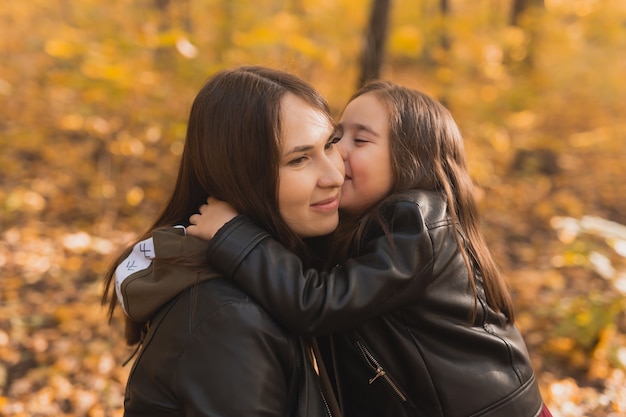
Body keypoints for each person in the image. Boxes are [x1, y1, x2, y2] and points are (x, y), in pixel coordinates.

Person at [186, 80, 553, 417]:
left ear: (411, 159)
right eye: (336, 137)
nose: (337, 152)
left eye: (359, 141)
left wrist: (234, 235)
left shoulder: (414, 220)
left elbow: (317, 304)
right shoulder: (367, 228)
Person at [101, 65, 346, 417]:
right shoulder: (229, 318)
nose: (335, 175)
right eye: (299, 159)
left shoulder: (283, 282)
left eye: (331, 144)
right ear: (240, 177)